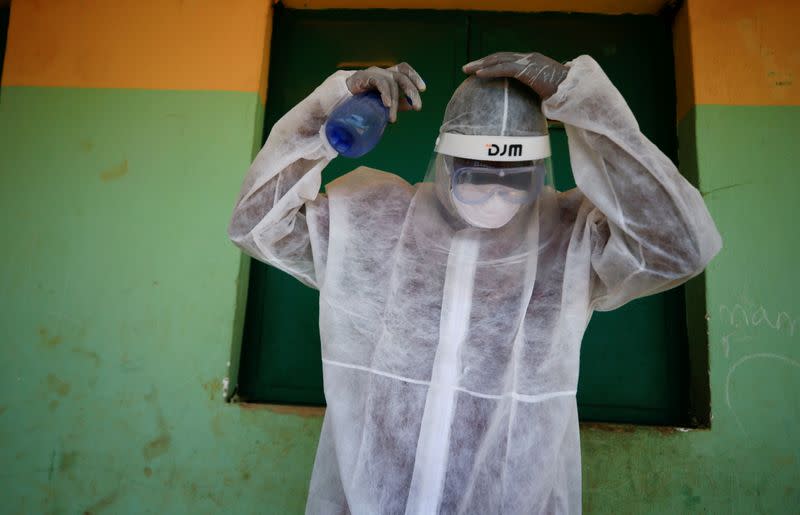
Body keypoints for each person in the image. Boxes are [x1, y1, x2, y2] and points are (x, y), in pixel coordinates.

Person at [228, 52, 721, 514]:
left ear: (539, 170)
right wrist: (327, 112)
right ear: (444, 161)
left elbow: (680, 247)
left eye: (517, 177)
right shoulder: (372, 220)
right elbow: (255, 222)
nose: (495, 192)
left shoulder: (570, 236)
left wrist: (584, 102)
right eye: (475, 174)